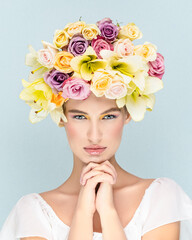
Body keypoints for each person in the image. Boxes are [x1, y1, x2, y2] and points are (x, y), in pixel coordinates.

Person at [1, 17, 192, 240]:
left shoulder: (161, 197)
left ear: (127, 114)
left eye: (108, 116)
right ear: (61, 117)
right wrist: (83, 213)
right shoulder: (33, 212)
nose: (94, 135)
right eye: (80, 117)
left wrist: (108, 212)